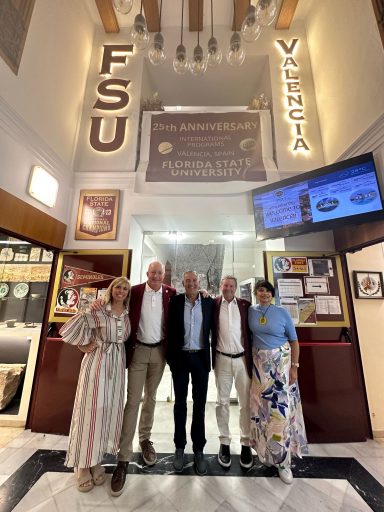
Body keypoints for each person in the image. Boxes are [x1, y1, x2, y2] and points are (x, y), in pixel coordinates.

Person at [59, 276, 131, 492]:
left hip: (117, 364)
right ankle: (81, 465)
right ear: (112, 288)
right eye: (118, 287)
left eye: (125, 288)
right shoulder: (98, 308)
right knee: (89, 411)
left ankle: (95, 459)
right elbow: (72, 328)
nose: (121, 291)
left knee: (106, 412)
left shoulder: (126, 312)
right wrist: (83, 345)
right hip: (98, 362)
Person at [111, 261, 176, 496]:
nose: (157, 275)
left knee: (151, 398)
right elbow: (115, 300)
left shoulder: (172, 293)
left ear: (163, 275)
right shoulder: (135, 291)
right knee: (133, 400)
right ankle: (123, 457)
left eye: (160, 273)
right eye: (153, 272)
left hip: (159, 352)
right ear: (147, 274)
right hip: (138, 351)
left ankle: (145, 440)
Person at [248, 279, 307, 485]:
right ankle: (267, 454)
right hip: (259, 366)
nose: (264, 294)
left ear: (272, 295)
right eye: (261, 290)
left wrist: (295, 367)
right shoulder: (251, 311)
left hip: (281, 365)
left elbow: (294, 340)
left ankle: (284, 462)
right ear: (256, 293)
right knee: (261, 411)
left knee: (280, 413)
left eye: (267, 291)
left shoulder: (281, 312)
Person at [166, 271, 214, 476]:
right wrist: (171, 359)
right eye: (188, 281)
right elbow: (168, 330)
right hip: (181, 359)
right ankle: (179, 446)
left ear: (199, 283)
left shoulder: (208, 302)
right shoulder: (175, 302)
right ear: (183, 283)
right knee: (180, 405)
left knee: (200, 406)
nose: (191, 284)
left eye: (194, 281)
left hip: (201, 359)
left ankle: (199, 449)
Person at [211, 275, 253, 469]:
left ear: (236, 288)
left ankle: (246, 443)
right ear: (220, 286)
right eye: (225, 285)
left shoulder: (245, 305)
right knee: (222, 403)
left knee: (245, 404)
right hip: (221, 359)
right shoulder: (213, 304)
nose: (228, 288)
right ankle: (224, 442)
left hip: (242, 360)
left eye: (231, 286)